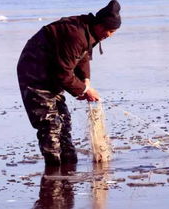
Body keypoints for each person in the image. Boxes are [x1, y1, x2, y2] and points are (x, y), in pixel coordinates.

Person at [17, 0, 121, 166]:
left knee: (64, 122)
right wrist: (83, 90)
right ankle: (53, 172)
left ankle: (68, 168)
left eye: (113, 31)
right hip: (34, 71)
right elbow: (63, 73)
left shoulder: (89, 30)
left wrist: (85, 82)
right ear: (99, 24)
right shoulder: (76, 34)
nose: (109, 35)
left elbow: (82, 56)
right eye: (108, 30)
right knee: (49, 125)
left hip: (52, 72)